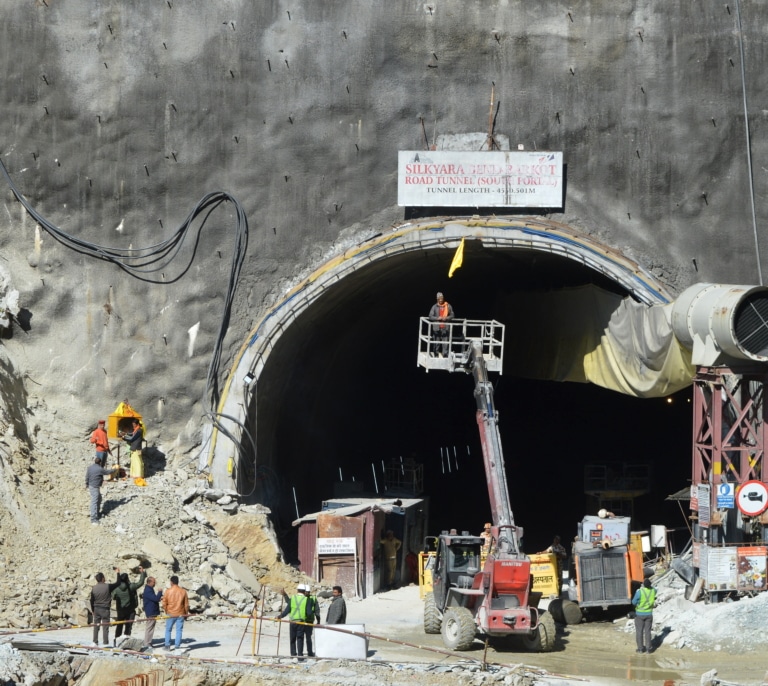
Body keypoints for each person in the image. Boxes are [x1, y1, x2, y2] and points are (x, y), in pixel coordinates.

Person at [281, 584, 320, 657]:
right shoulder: (306, 599)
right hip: (302, 621)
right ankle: (299, 656)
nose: (307, 593)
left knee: (303, 638)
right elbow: (309, 612)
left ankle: (307, 653)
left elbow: (288, 608)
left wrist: (280, 616)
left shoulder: (295, 598)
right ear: (304, 591)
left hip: (295, 621)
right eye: (306, 592)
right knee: (300, 639)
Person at [111, 567, 147, 646]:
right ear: (127, 579)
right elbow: (140, 582)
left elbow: (113, 597)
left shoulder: (116, 588)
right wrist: (142, 573)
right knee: (128, 626)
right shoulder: (131, 586)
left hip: (120, 610)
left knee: (119, 625)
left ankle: (116, 641)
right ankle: (126, 641)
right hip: (130, 610)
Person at [89, 569, 121, 646]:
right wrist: (118, 573)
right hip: (105, 609)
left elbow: (91, 600)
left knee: (96, 627)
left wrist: (93, 610)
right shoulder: (108, 586)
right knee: (105, 627)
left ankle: (95, 641)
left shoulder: (94, 588)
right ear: (103, 578)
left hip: (96, 609)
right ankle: (105, 642)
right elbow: (118, 583)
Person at [85, 456, 116, 524]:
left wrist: (86, 484)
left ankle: (97, 513)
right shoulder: (99, 469)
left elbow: (87, 476)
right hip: (95, 487)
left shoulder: (90, 468)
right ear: (100, 462)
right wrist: (114, 470)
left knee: (99, 498)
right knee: (94, 501)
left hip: (91, 486)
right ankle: (93, 518)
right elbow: (107, 472)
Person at [161, 575, 189, 651]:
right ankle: (177, 646)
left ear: (171, 582)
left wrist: (166, 611)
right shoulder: (183, 591)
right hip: (180, 613)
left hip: (170, 613)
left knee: (168, 630)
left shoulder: (168, 591)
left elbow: (164, 603)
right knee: (179, 630)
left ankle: (167, 646)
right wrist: (186, 614)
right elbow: (186, 604)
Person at [631, 578, 656, 654]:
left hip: (639, 614)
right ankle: (649, 648)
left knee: (639, 631)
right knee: (648, 631)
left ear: (643, 585)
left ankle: (640, 649)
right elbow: (655, 590)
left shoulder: (640, 592)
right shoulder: (653, 591)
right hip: (649, 614)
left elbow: (633, 602)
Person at [428, 292, 454, 357]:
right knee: (436, 342)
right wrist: (437, 318)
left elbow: (452, 315)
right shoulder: (434, 307)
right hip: (437, 327)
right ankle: (436, 354)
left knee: (445, 343)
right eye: (439, 298)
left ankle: (445, 355)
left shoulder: (448, 305)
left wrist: (447, 318)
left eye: (441, 298)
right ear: (437, 299)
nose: (440, 300)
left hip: (445, 327)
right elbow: (430, 316)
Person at [142, 576, 163, 650]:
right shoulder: (148, 590)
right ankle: (147, 643)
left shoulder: (149, 589)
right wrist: (160, 592)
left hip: (152, 611)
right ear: (150, 582)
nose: (155, 583)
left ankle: (148, 642)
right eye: (154, 582)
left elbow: (153, 599)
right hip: (151, 611)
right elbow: (156, 599)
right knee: (149, 627)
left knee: (151, 627)